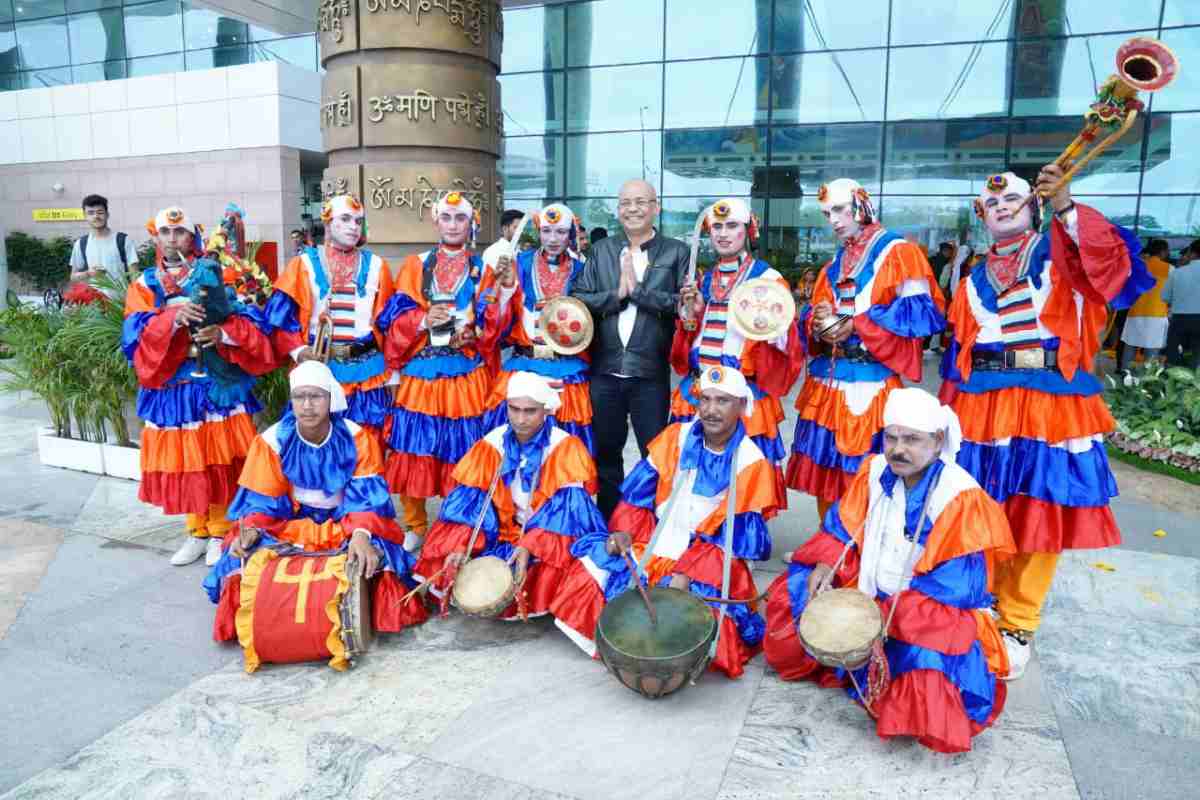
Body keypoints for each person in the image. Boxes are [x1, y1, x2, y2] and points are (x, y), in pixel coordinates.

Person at [938, 167, 1154, 680]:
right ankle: (982, 602)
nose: (1002, 207)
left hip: (1047, 401)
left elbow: (1108, 265)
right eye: (991, 204)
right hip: (981, 404)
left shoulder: (1062, 256)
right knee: (979, 509)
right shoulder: (970, 277)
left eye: (1013, 198)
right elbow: (958, 354)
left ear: (1033, 206)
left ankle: (1017, 620)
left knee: (1039, 513)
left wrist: (1066, 206)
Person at [764, 387, 1014, 754]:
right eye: (892, 437)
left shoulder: (960, 496)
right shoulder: (875, 468)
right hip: (872, 582)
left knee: (926, 661)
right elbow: (844, 526)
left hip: (924, 604)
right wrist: (826, 560)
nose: (899, 449)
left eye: (912, 439)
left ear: (938, 439)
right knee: (800, 589)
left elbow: (957, 584)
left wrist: (886, 617)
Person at [551, 367, 783, 679]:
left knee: (699, 621)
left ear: (742, 406)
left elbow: (730, 541)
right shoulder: (675, 436)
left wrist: (686, 573)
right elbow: (638, 497)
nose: (711, 410)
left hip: (708, 557)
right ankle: (617, 645)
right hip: (656, 541)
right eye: (705, 399)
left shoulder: (751, 462)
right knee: (589, 567)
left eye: (723, 401)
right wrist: (623, 531)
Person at [203, 361, 426, 649]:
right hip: (289, 521)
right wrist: (252, 529)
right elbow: (261, 501)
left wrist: (361, 535)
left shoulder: (359, 438)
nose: (307, 405)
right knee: (239, 554)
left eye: (316, 396)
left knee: (379, 554)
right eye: (300, 397)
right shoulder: (271, 441)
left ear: (331, 398)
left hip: (346, 519)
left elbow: (365, 498)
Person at [122, 206, 275, 567]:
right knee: (187, 462)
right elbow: (133, 334)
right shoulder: (144, 285)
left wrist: (221, 332)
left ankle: (221, 532)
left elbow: (251, 318)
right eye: (165, 232)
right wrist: (173, 318)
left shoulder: (218, 272)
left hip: (215, 383)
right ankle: (196, 530)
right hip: (174, 388)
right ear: (155, 237)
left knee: (218, 460)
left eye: (180, 233)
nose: (172, 239)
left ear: (192, 237)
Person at [786, 179, 946, 520]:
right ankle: (830, 547)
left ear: (861, 205)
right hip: (829, 381)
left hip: (872, 381)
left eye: (841, 210)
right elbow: (818, 314)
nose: (834, 220)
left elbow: (923, 314)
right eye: (828, 213)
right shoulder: (834, 263)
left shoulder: (899, 252)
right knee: (826, 471)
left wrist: (857, 323)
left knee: (868, 471)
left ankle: (864, 553)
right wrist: (817, 319)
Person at [380, 191, 513, 552]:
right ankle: (416, 524)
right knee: (414, 448)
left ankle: (457, 522)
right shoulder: (415, 265)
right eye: (448, 217)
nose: (454, 225)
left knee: (464, 449)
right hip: (422, 371)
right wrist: (423, 319)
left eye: (461, 218)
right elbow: (393, 317)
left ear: (472, 224)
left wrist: (500, 296)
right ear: (435, 220)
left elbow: (494, 325)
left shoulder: (484, 269)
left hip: (465, 371)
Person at [413, 372, 607, 619]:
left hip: (548, 531)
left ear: (546, 411)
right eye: (514, 409)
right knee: (447, 550)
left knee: (567, 564)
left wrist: (530, 545)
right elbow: (469, 502)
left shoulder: (566, 447)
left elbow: (566, 513)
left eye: (530, 411)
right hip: (504, 527)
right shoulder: (492, 443)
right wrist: (462, 544)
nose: (520, 419)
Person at [571, 179, 690, 519]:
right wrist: (617, 296)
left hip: (649, 372)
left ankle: (650, 524)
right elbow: (579, 298)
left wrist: (638, 292)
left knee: (655, 454)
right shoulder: (602, 251)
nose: (633, 209)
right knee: (607, 454)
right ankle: (609, 522)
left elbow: (683, 305)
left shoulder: (676, 252)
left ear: (656, 207)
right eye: (625, 203)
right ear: (618, 209)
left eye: (641, 202)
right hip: (605, 370)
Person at [671, 198, 801, 495]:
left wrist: (766, 322)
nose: (723, 233)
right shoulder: (702, 279)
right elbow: (691, 335)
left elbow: (787, 341)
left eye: (732, 226)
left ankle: (739, 538)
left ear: (748, 230)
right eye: (716, 227)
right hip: (698, 390)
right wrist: (690, 313)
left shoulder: (768, 279)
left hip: (741, 392)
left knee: (743, 477)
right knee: (690, 472)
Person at [265, 194, 396, 445]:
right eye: (345, 219)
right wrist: (299, 351)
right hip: (318, 368)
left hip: (368, 374)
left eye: (358, 221)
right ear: (327, 223)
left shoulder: (379, 266)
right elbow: (279, 319)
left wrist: (393, 376)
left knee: (367, 444)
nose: (353, 227)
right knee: (317, 444)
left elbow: (389, 324)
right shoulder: (302, 265)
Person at [482, 203, 594, 451]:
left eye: (561, 232)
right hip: (524, 362)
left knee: (564, 444)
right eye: (546, 231)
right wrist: (506, 289)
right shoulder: (518, 264)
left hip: (566, 367)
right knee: (513, 440)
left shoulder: (582, 270)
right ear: (538, 232)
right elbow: (492, 316)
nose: (553, 239)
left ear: (571, 235)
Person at [1119, 238, 1172, 369]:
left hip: (1135, 312)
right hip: (1157, 314)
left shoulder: (1137, 265)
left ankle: (1126, 376)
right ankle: (1147, 382)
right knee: (1152, 351)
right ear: (1163, 252)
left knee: (1130, 346)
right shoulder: (1170, 269)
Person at [69, 194, 139, 281]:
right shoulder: (81, 243)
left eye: (100, 212)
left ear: (107, 214)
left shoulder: (123, 240)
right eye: (91, 213)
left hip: (121, 294)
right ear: (85, 216)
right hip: (93, 294)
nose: (96, 216)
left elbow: (135, 276)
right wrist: (88, 273)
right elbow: (73, 277)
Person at [1162, 239, 1200, 369]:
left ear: (1192, 253)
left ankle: (1170, 386)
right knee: (1196, 358)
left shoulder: (1177, 272)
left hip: (1179, 320)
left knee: (1172, 357)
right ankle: (1192, 387)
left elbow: (1165, 297)